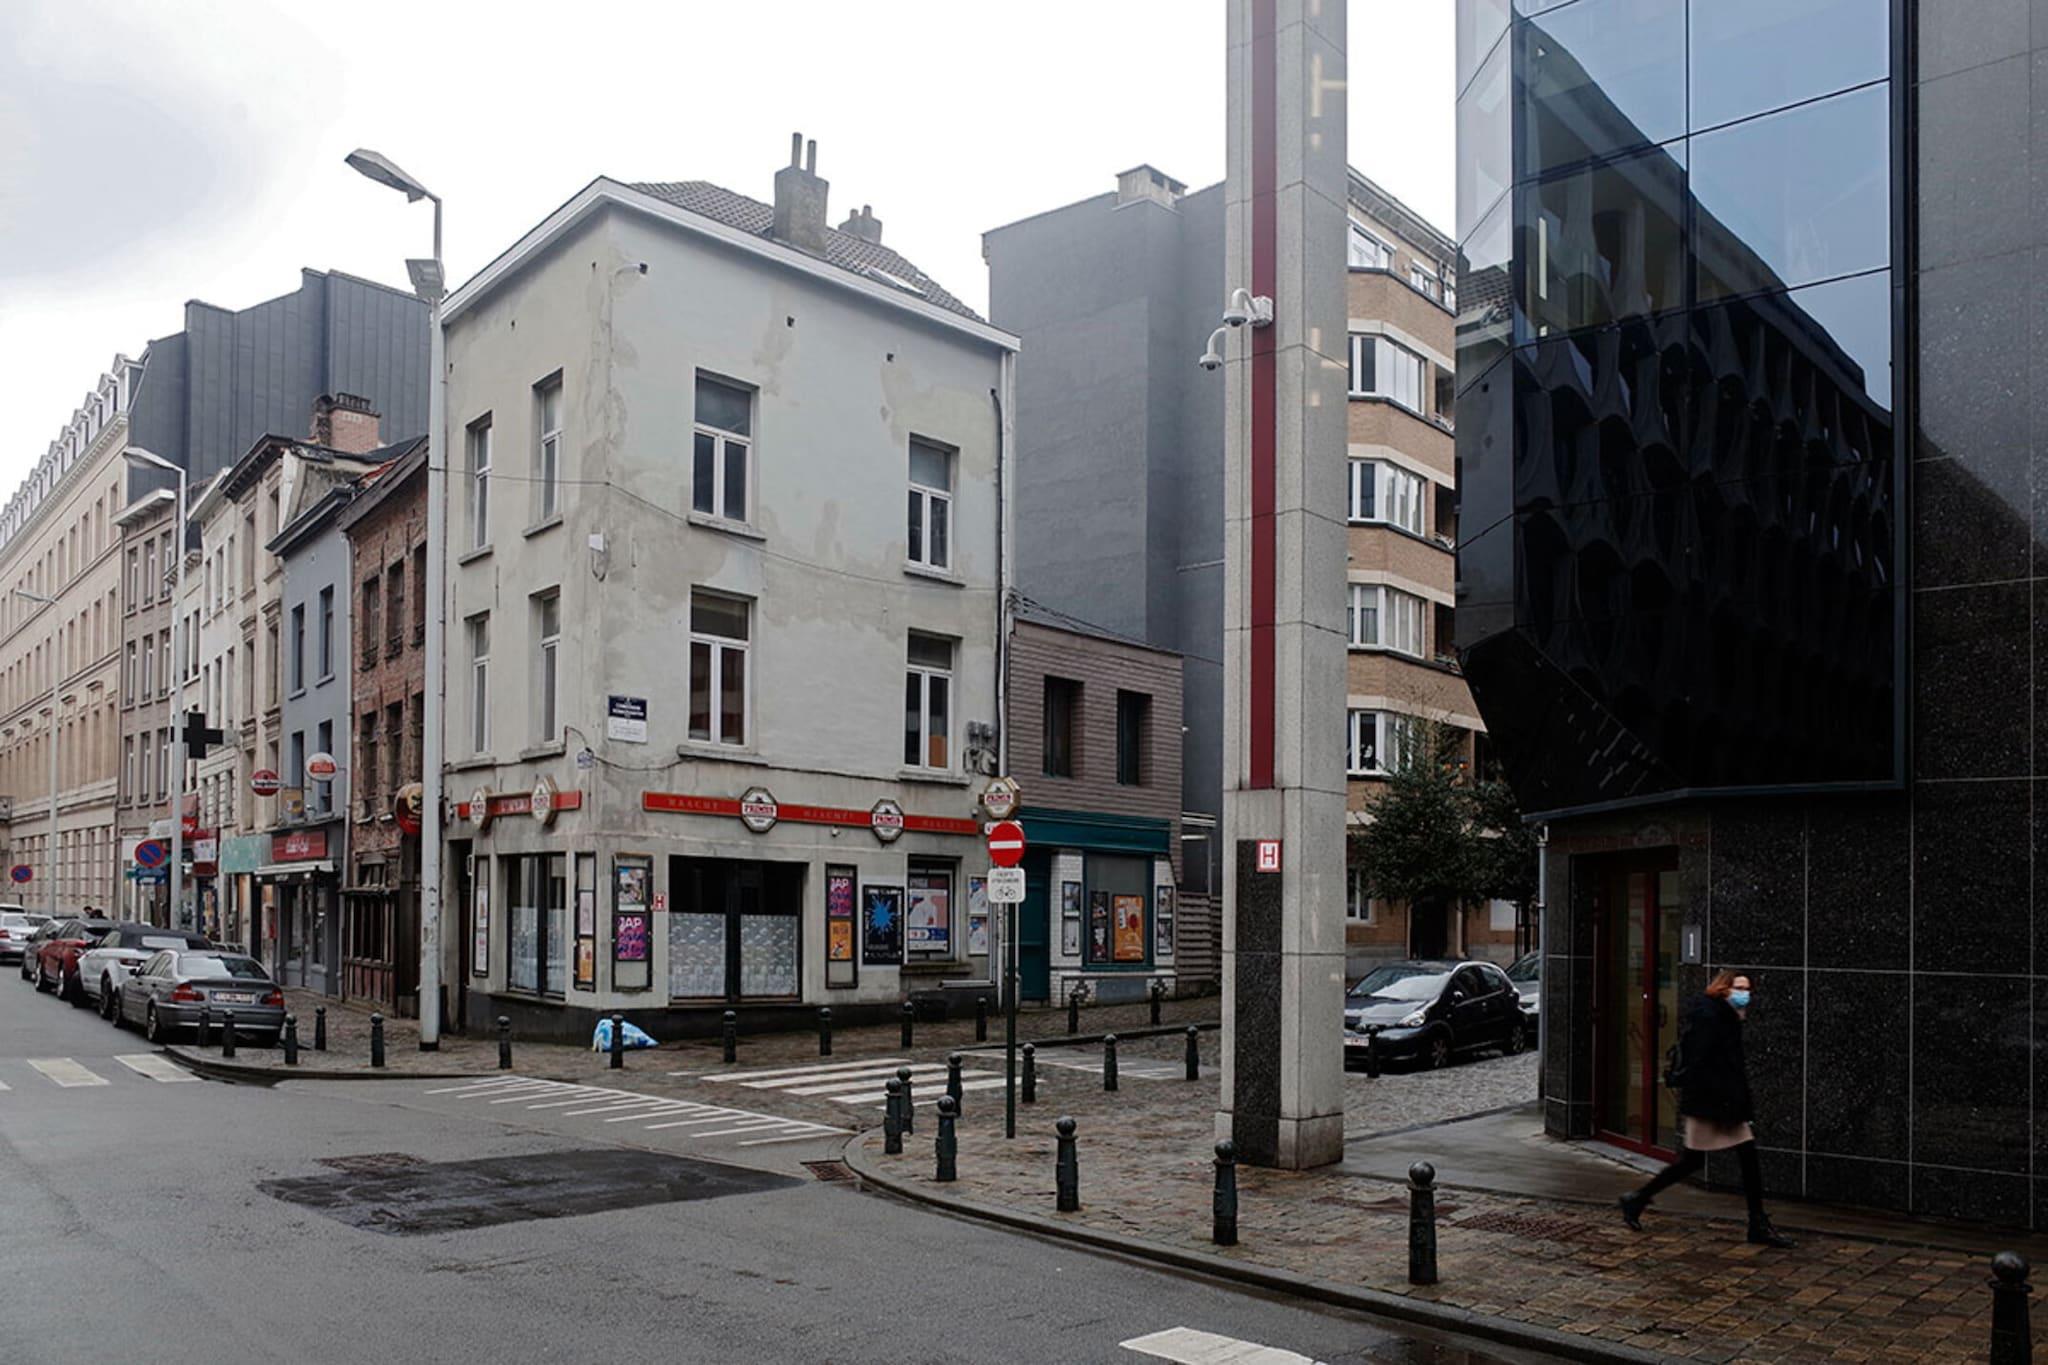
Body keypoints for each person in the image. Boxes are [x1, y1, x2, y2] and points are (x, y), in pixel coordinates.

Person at [1618, 970, 1794, 1248]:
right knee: (1697, 1160)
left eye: (1747, 989)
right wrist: (1724, 1102)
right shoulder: (1711, 1017)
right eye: (1739, 988)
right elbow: (1702, 1062)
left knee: (1739, 1157)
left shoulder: (1725, 1015)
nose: (1745, 995)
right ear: (1724, 989)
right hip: (1710, 1105)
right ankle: (1637, 1198)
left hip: (1721, 1103)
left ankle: (1757, 1222)